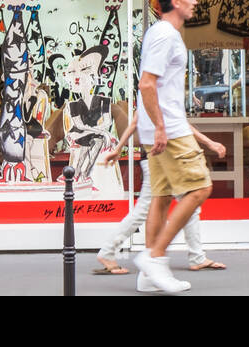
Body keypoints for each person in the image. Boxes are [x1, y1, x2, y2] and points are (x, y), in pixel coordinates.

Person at [133, 0, 212, 294]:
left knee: (162, 198)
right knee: (200, 188)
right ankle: (155, 257)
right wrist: (163, 128)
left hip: (159, 130)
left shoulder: (161, 33)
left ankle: (149, 275)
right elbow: (146, 83)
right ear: (175, 2)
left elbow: (153, 84)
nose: (195, 1)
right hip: (170, 131)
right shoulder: (165, 34)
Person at [93, 108, 227, 275]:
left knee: (185, 205)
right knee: (175, 205)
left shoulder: (149, 89)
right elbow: (180, 124)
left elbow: (135, 122)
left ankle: (197, 257)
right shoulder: (157, 88)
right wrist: (209, 142)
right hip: (163, 158)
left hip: (157, 157)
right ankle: (109, 252)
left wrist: (118, 149)